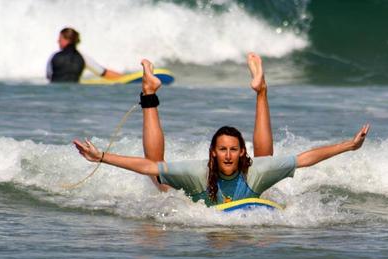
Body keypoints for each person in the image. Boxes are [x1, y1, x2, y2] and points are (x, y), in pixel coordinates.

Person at [73, 54, 370, 207]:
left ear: (242, 152)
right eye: (223, 149)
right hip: (197, 198)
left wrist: (349, 146)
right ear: (213, 153)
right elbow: (150, 164)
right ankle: (149, 93)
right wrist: (101, 157)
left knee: (265, 162)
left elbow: (306, 158)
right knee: (158, 180)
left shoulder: (254, 169)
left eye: (233, 149)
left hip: (253, 183)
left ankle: (261, 90)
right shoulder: (197, 174)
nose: (228, 155)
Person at [46, 27, 123, 83]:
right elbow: (104, 73)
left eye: (60, 39)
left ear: (67, 40)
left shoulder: (53, 56)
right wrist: (125, 78)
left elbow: (48, 76)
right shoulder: (83, 58)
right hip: (74, 94)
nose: (58, 41)